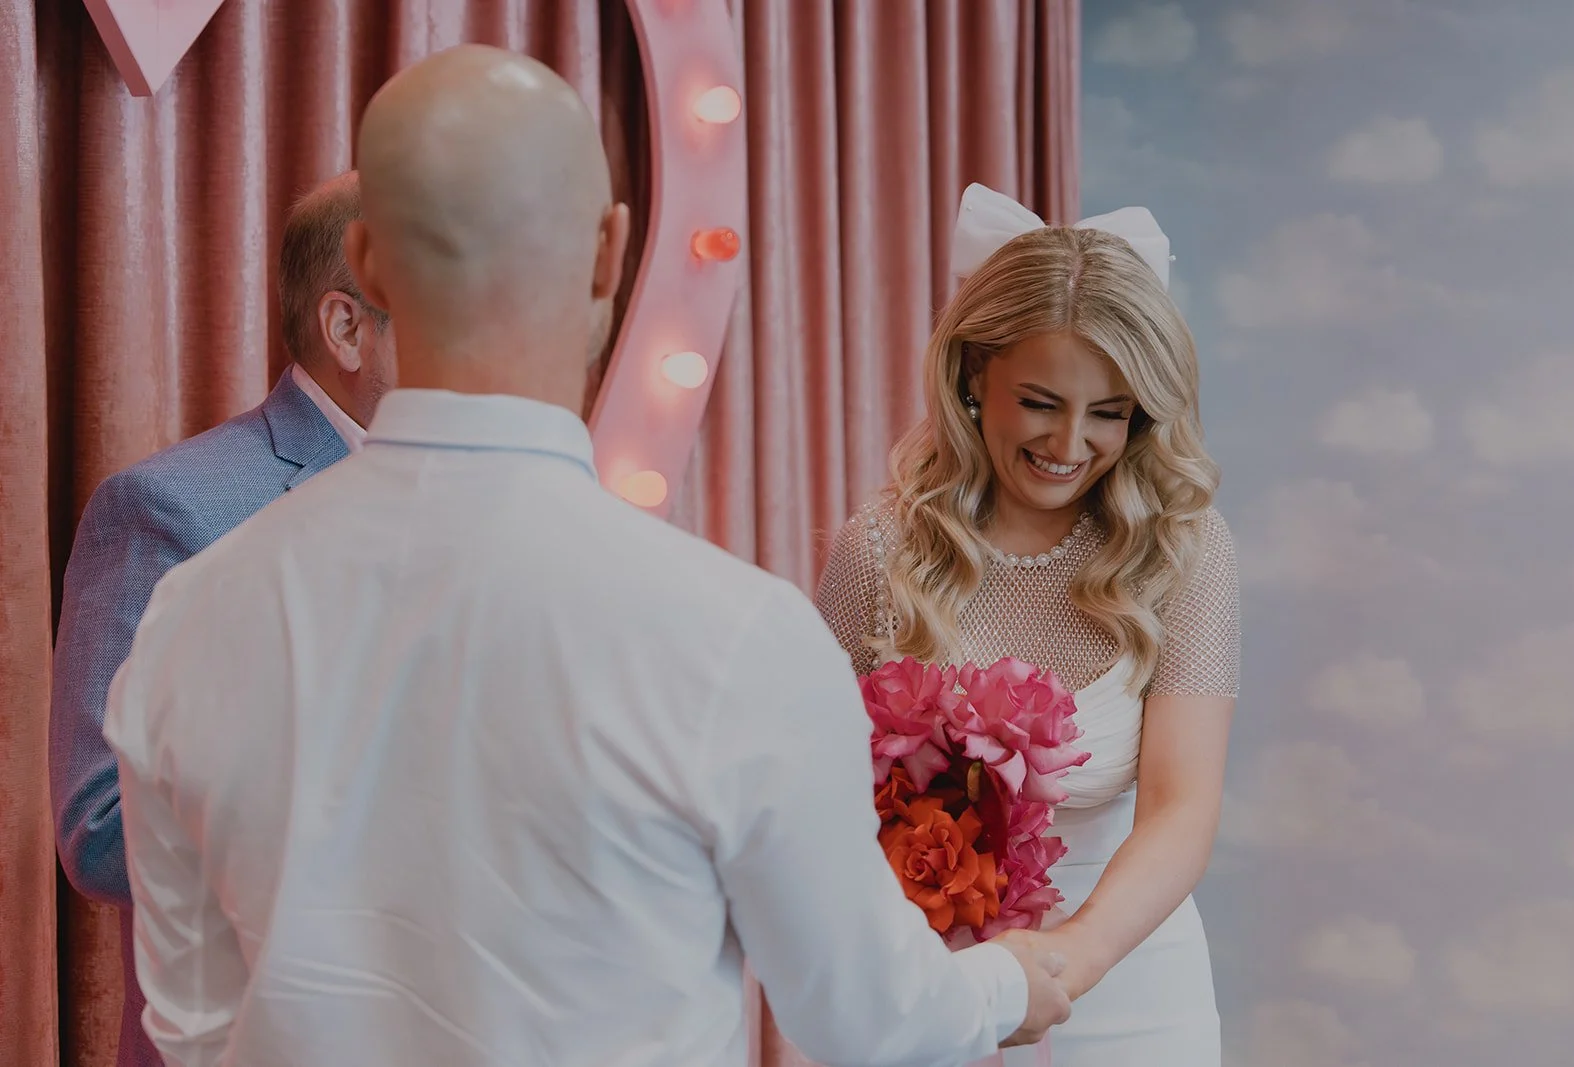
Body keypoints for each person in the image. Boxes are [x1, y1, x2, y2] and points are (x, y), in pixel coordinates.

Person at [101, 46, 1072, 1067]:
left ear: (370, 260)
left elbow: (195, 1024)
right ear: (612, 251)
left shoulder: (190, 612)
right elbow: (870, 1021)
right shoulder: (732, 630)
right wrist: (1009, 978)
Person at [774, 183, 1241, 1067]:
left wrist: (1061, 964)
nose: (1072, 442)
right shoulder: (879, 548)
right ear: (971, 375)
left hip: (1127, 979)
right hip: (923, 987)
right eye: (1041, 401)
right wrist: (934, 983)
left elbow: (1183, 807)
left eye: (1110, 412)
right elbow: (816, 795)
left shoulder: (1188, 549)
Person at [50, 170, 395, 1067]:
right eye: (449, 297)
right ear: (347, 327)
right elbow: (98, 830)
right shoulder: (169, 507)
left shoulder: (492, 512)